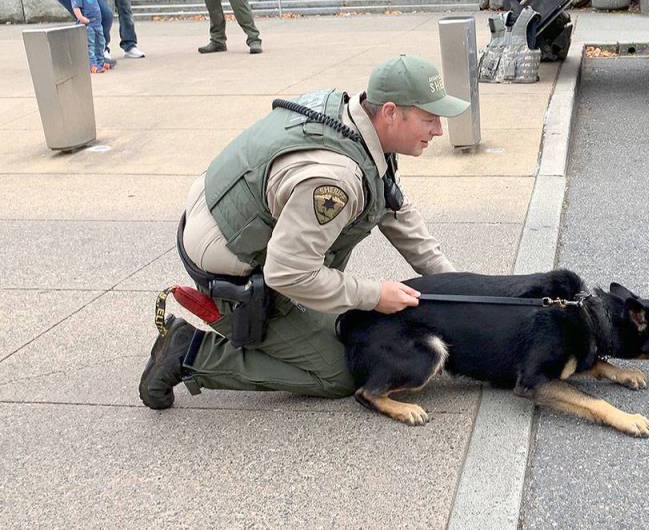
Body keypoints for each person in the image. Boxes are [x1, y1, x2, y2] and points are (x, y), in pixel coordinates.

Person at [139, 55, 469, 409]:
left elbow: (395, 209)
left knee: (353, 328)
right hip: (236, 271)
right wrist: (375, 294)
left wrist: (461, 288)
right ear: (390, 111)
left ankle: (293, 319)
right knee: (342, 372)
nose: (438, 130)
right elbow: (288, 271)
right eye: (429, 119)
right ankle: (188, 353)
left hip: (239, 231)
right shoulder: (334, 178)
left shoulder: (357, 123)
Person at [70, 0, 109, 73]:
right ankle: (92, 64)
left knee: (100, 42)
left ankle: (100, 61)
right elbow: (76, 7)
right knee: (90, 44)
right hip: (88, 23)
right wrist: (81, 18)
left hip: (97, 23)